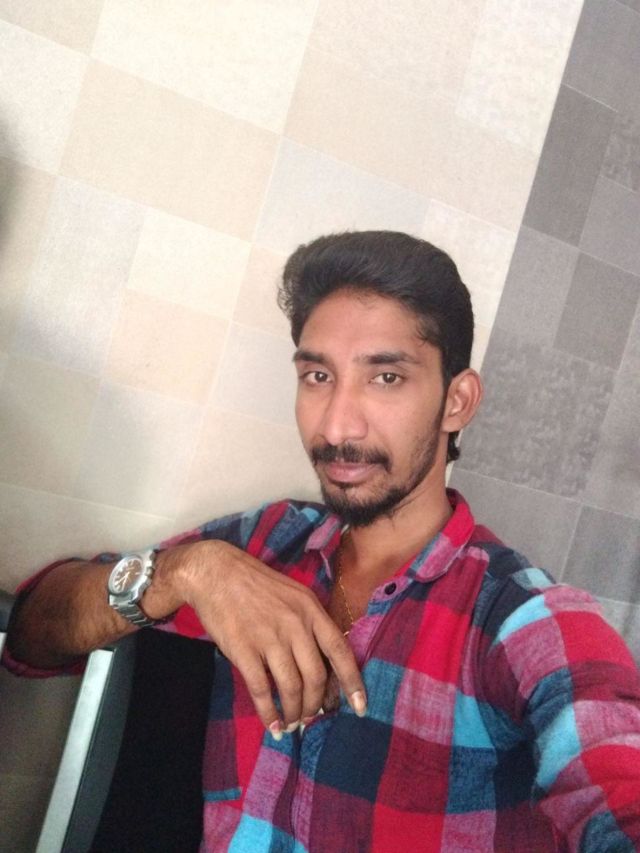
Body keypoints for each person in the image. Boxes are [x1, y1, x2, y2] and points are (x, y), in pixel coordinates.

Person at [4, 231, 640, 852]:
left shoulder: (523, 619)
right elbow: (31, 637)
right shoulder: (265, 542)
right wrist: (186, 572)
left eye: (385, 377)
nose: (337, 425)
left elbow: (613, 782)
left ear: (457, 401)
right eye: (317, 375)